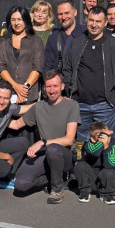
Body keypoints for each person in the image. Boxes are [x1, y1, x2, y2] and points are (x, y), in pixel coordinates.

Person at [61, 6, 115, 141]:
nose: (94, 25)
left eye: (98, 21)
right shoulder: (77, 43)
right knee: (82, 145)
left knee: (106, 144)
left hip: (106, 104)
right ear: (86, 20)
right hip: (80, 104)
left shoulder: (114, 44)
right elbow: (66, 68)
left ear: (105, 23)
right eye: (91, 20)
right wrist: (70, 90)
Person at [13, 70, 80, 204]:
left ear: (62, 86)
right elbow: (16, 125)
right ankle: (52, 178)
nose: (52, 90)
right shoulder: (39, 107)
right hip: (45, 155)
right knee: (20, 184)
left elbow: (69, 139)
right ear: (44, 88)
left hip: (64, 155)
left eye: (55, 86)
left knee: (53, 149)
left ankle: (57, 189)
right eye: (48, 86)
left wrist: (42, 142)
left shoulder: (72, 105)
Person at [0, 6, 44, 104]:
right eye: (13, 20)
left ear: (26, 20)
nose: (16, 23)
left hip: (29, 94)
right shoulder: (3, 42)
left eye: (19, 19)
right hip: (7, 93)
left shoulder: (36, 41)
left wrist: (24, 89)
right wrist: (15, 86)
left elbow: (38, 67)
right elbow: (0, 67)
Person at [75, 121, 115, 205]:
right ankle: (85, 191)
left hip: (105, 180)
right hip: (91, 178)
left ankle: (107, 194)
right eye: (105, 135)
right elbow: (95, 153)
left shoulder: (113, 146)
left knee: (109, 171)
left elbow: (109, 165)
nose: (108, 137)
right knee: (80, 165)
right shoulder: (88, 144)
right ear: (96, 136)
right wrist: (101, 142)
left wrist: (106, 148)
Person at [44, 0, 84, 71]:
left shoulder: (86, 34)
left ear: (75, 12)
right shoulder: (53, 38)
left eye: (67, 13)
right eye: (60, 14)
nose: (64, 17)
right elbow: (47, 65)